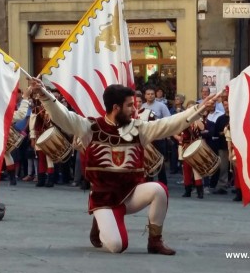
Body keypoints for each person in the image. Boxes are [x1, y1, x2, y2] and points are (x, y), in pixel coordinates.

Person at [30, 80, 214, 255]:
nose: (134, 109)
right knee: (118, 246)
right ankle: (100, 220)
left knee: (159, 190)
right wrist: (43, 93)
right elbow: (63, 116)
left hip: (130, 194)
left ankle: (155, 241)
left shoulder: (138, 128)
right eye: (129, 105)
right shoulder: (90, 128)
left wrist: (199, 109)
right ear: (116, 108)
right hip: (103, 198)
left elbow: (168, 124)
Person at [0, 87, 31, 221]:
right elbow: (20, 115)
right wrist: (25, 99)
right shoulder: (1, 113)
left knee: (5, 156)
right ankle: (12, 178)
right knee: (7, 156)